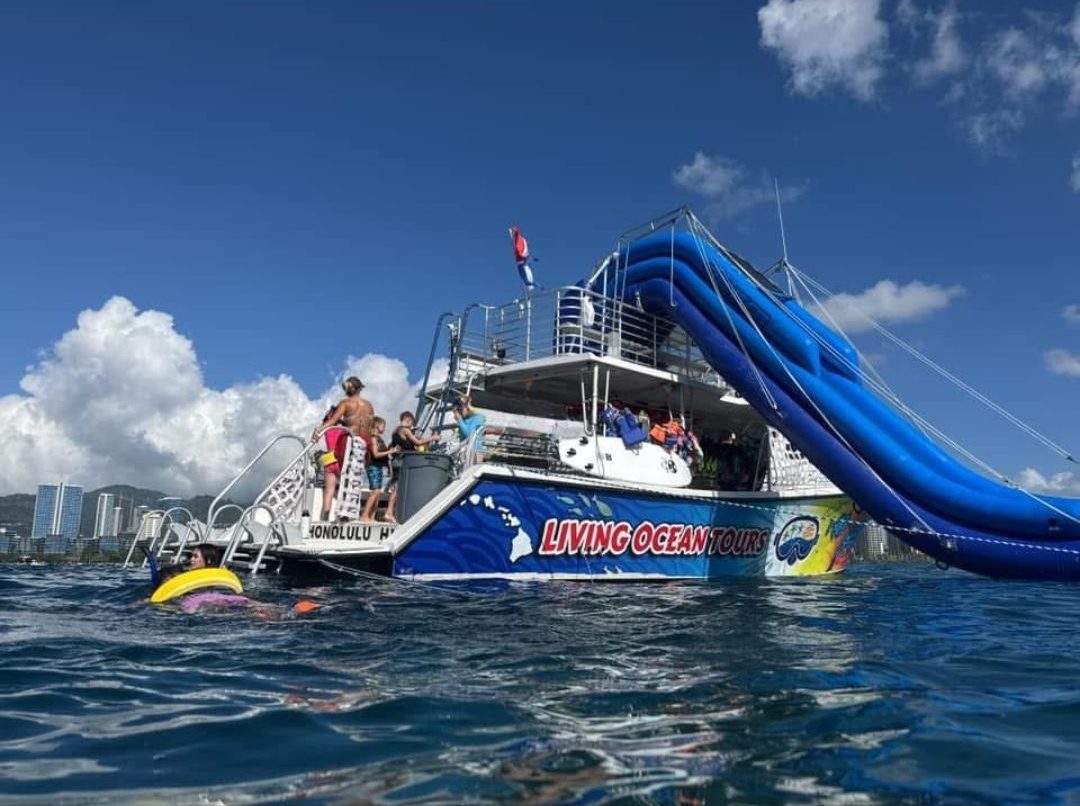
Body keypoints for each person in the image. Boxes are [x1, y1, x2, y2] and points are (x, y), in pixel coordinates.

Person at [312, 376, 374, 519]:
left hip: (348, 440)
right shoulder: (369, 406)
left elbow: (332, 421)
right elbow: (370, 428)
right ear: (360, 388)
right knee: (355, 477)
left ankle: (331, 514)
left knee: (343, 474)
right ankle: (349, 512)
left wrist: (318, 431)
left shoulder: (345, 403)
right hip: (364, 442)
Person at [383, 411, 441, 523]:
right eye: (412, 423)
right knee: (399, 488)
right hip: (403, 461)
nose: (412, 426)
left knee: (397, 487)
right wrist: (432, 437)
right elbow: (418, 442)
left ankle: (391, 512)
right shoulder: (405, 430)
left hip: (396, 460)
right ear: (408, 420)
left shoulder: (396, 430)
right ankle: (389, 512)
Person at [360, 417, 399, 522]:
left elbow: (384, 455)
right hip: (373, 466)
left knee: (377, 493)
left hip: (379, 467)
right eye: (383, 426)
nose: (384, 428)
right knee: (375, 492)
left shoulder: (379, 439)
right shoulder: (373, 438)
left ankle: (372, 517)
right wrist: (391, 451)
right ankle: (364, 516)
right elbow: (376, 454)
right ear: (377, 425)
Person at [452, 395, 486, 459]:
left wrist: (459, 420)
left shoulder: (478, 418)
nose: (459, 412)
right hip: (464, 451)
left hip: (475, 452)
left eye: (460, 409)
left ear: (467, 407)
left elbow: (470, 435)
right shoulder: (463, 420)